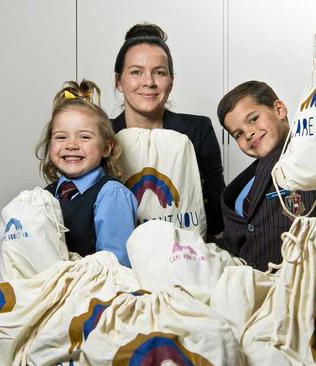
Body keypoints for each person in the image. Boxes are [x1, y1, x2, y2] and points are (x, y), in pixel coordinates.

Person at [216, 32, 316, 271]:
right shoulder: (243, 186)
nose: (248, 133)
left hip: (304, 285)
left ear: (279, 109)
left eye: (253, 119)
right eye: (238, 134)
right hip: (252, 290)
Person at [111, 23, 226, 238]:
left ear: (171, 81)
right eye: (136, 72)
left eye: (159, 73)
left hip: (184, 254)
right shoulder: (103, 134)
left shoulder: (197, 131)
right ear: (119, 81)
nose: (148, 82)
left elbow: (218, 213)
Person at [35, 79, 137, 267]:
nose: (71, 145)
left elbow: (115, 267)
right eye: (61, 137)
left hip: (95, 292)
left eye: (84, 137)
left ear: (106, 148)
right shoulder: (43, 197)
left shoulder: (111, 194)